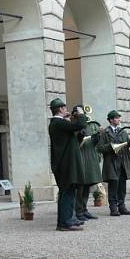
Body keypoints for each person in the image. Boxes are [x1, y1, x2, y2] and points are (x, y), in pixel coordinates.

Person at [48, 98, 86, 232]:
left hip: (68, 163)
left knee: (69, 192)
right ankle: (64, 222)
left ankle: (68, 219)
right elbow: (80, 124)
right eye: (64, 108)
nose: (66, 110)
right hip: (65, 164)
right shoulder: (57, 123)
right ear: (60, 109)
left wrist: (72, 123)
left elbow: (74, 137)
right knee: (66, 192)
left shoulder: (61, 123)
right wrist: (80, 113)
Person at [96, 110, 130, 216]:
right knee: (113, 186)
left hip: (123, 162)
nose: (119, 119)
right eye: (117, 118)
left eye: (119, 118)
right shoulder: (105, 132)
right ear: (111, 120)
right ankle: (113, 208)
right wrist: (111, 146)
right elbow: (100, 148)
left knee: (122, 185)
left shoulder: (122, 131)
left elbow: (127, 144)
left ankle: (122, 206)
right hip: (111, 162)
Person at [75, 111, 102, 222]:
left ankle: (84, 209)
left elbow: (94, 142)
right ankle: (78, 211)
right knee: (80, 189)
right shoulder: (75, 126)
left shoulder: (89, 127)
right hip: (80, 160)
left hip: (90, 160)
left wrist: (98, 135)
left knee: (86, 187)